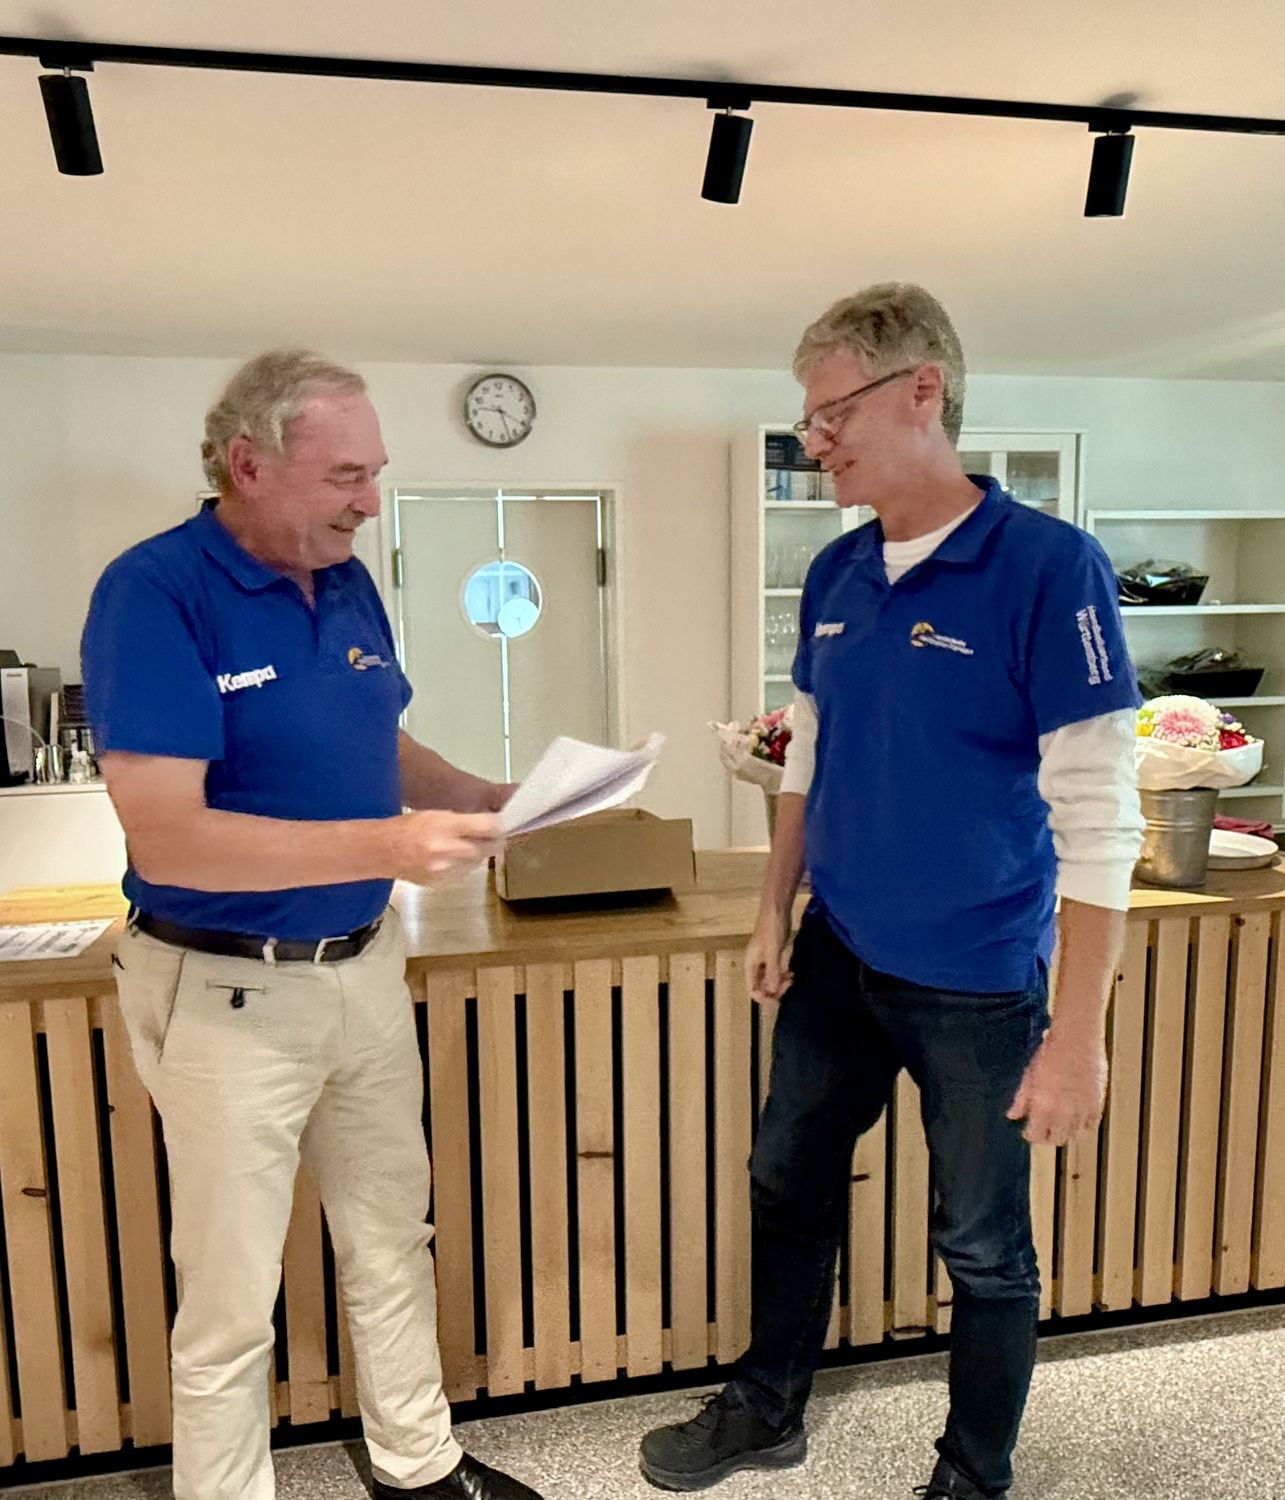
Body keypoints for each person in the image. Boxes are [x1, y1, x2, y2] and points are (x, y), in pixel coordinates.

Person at [639, 285, 1143, 1499]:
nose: (814, 442)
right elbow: (805, 753)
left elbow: (1099, 820)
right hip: (840, 956)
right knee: (785, 1181)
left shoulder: (1048, 567)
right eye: (806, 421)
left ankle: (972, 1476)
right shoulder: (835, 572)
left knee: (981, 1244)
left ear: (923, 390)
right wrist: (773, 910)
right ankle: (767, 1407)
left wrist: (1076, 1038)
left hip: (976, 979)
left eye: (832, 415)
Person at [82, 350, 543, 1500]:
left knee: (390, 1236)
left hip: (365, 968)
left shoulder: (344, 579)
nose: (369, 502)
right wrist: (388, 847)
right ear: (249, 465)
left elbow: (375, 735)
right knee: (231, 1296)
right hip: (225, 989)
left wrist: (478, 795)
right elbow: (167, 839)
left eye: (373, 473)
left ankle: (416, 1466)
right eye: (346, 476)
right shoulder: (153, 593)